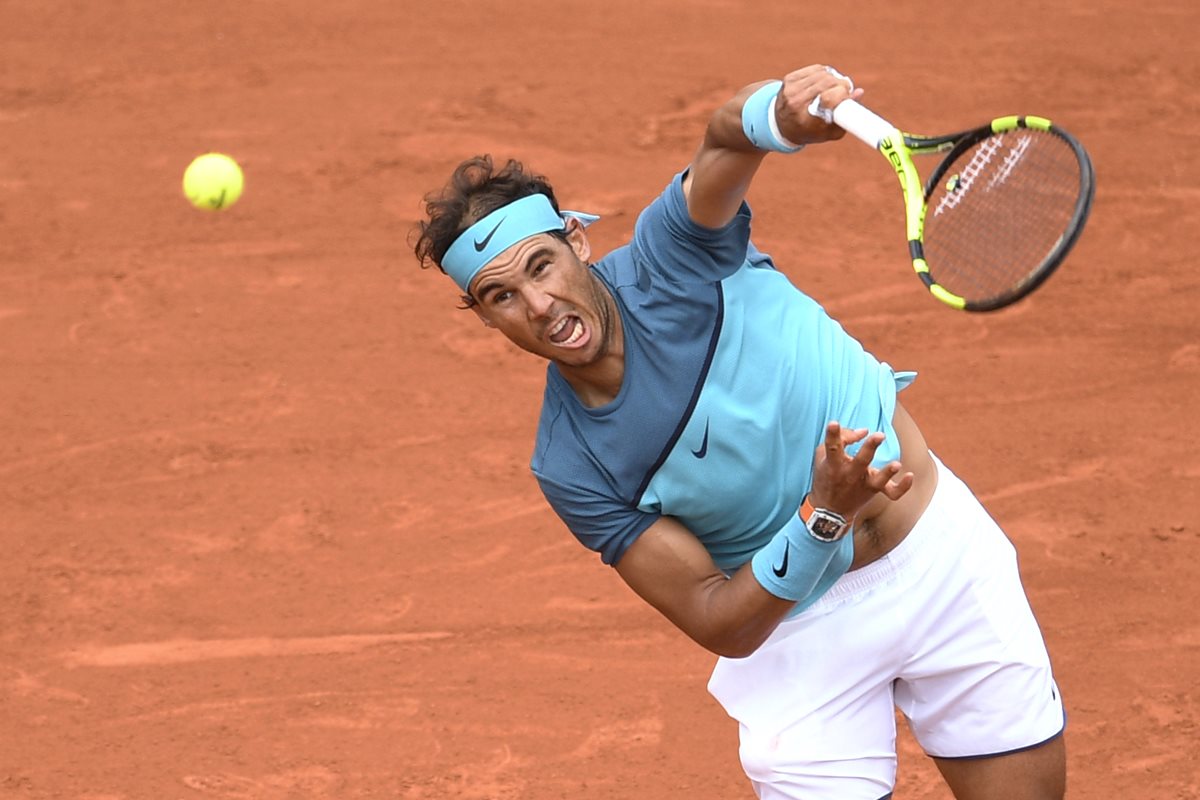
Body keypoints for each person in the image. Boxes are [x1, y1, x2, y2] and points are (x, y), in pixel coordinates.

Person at [413, 64, 1066, 800]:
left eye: (542, 265)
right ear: (484, 315)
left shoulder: (675, 256)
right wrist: (823, 517)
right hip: (799, 640)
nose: (537, 304)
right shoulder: (572, 463)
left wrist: (778, 116)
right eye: (501, 295)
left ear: (577, 243)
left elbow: (725, 142)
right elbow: (717, 619)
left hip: (941, 562)